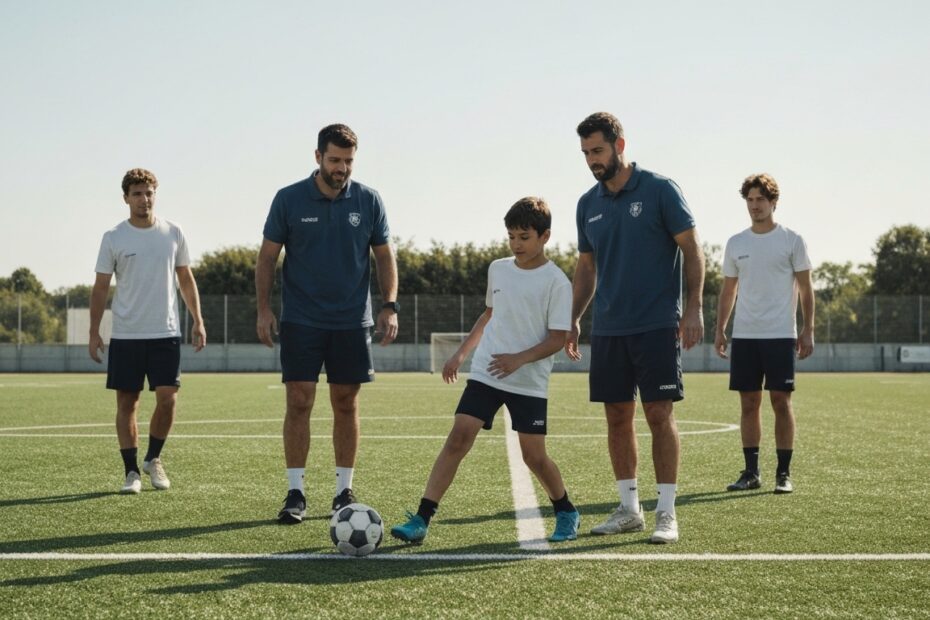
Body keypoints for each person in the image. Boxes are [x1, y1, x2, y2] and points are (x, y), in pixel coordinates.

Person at [391, 197, 580, 545]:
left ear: (545, 236)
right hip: (488, 371)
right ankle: (421, 518)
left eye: (524, 236)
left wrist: (519, 359)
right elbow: (489, 314)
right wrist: (460, 354)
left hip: (527, 380)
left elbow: (557, 339)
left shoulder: (557, 283)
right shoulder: (498, 268)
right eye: (511, 237)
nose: (516, 244)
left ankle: (566, 510)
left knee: (533, 457)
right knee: (459, 437)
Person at [565, 112, 705, 544]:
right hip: (609, 328)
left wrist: (695, 308)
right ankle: (629, 508)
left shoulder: (661, 190)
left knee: (659, 415)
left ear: (620, 145)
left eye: (598, 150)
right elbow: (587, 267)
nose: (592, 160)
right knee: (616, 417)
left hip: (657, 324)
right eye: (586, 153)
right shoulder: (587, 204)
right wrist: (572, 317)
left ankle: (666, 511)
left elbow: (693, 250)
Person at [256, 123, 399, 525]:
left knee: (345, 402)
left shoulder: (369, 200)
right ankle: (296, 492)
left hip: (352, 321)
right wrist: (263, 309)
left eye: (348, 161)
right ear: (318, 157)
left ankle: (343, 491)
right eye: (335, 160)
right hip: (301, 319)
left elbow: (385, 257)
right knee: (299, 401)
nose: (342, 168)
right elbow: (267, 257)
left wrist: (389, 305)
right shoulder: (288, 199)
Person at [89, 168, 207, 494]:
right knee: (127, 404)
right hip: (126, 334)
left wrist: (197, 319)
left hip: (164, 332)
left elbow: (185, 278)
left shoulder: (173, 232)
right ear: (126, 198)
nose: (144, 199)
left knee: (168, 400)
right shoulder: (113, 237)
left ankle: (153, 459)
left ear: (156, 194)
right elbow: (100, 288)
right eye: (137, 193)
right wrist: (93, 331)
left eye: (149, 192)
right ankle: (131, 473)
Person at [715, 173, 815, 494]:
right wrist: (720, 328)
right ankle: (751, 472)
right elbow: (728, 290)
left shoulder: (791, 240)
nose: (755, 206)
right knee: (748, 404)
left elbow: (805, 288)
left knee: (781, 402)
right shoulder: (736, 243)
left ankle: (783, 474)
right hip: (745, 337)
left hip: (780, 335)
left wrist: (808, 329)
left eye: (761, 200)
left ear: (773, 202)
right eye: (750, 200)